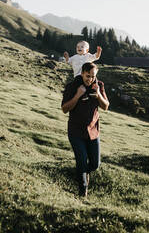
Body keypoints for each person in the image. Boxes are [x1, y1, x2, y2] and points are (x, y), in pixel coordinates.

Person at [61, 62, 109, 197]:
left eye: (93, 76)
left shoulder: (99, 85)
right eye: (88, 76)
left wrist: (99, 94)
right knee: (81, 161)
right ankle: (83, 193)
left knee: (95, 164)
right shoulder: (72, 86)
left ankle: (82, 173)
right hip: (76, 132)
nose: (90, 79)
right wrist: (77, 95)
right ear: (82, 73)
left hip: (93, 132)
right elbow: (64, 109)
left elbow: (105, 106)